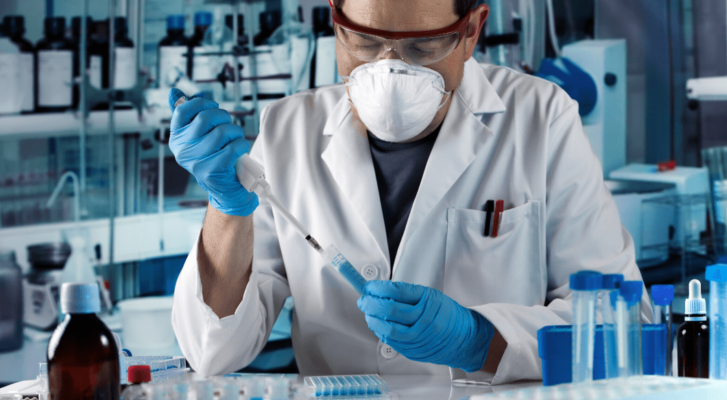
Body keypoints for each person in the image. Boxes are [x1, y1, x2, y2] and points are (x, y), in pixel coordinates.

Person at [169, 0, 652, 384]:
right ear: (335, 22)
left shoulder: (541, 119)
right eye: (362, 40)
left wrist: (481, 339)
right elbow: (214, 351)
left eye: (423, 47)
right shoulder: (288, 130)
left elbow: (623, 324)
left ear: (472, 31)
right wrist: (226, 207)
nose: (390, 71)